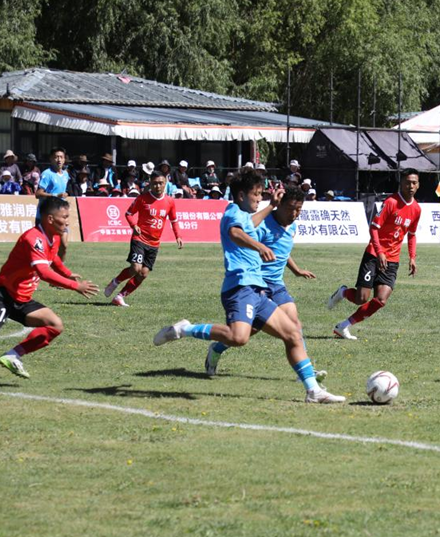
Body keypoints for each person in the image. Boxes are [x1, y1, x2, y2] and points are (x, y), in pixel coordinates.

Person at [152, 172, 343, 404]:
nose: (259, 198)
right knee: (239, 337)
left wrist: (271, 206)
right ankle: (185, 329)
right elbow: (235, 233)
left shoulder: (245, 216)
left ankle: (313, 391)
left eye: (261, 194)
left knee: (293, 333)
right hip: (240, 286)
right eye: (256, 194)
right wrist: (259, 246)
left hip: (258, 289)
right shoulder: (232, 211)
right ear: (242, 195)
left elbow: (249, 226)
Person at [0, 197, 99, 388]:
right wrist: (75, 286)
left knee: (55, 325)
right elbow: (44, 272)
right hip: (3, 294)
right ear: (50, 219)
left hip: (22, 298)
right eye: (65, 217)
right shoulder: (33, 238)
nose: (68, 221)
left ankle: (13, 355)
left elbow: (53, 259)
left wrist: (67, 273)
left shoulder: (54, 237)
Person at [205, 185, 321, 377]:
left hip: (277, 285)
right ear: (279, 205)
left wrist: (296, 270)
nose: (294, 214)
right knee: (247, 332)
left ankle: (308, 370)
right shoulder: (262, 225)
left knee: (294, 323)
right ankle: (217, 348)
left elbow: (282, 251)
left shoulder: (292, 226)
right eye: (290, 208)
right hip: (257, 284)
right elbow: (245, 241)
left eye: (298, 209)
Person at [327, 168, 421, 340]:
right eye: (407, 182)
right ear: (401, 183)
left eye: (414, 183)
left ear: (418, 185)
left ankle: (343, 326)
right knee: (361, 298)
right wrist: (379, 252)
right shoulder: (391, 202)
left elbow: (412, 234)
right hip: (373, 255)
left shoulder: (416, 209)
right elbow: (374, 228)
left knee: (381, 300)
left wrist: (412, 257)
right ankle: (343, 292)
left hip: (392, 260)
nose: (411, 186)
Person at [104, 172, 183, 307]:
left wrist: (178, 236)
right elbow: (129, 214)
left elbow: (174, 220)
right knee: (135, 268)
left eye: (161, 183)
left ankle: (120, 297)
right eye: (155, 183)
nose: (158, 186)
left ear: (165, 183)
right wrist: (133, 226)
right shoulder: (142, 199)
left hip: (154, 243)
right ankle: (115, 281)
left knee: (143, 273)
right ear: (150, 183)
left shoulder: (170, 201)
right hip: (139, 239)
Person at [36, 147, 71, 257]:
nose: (59, 160)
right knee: (44, 248)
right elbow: (38, 193)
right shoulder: (47, 174)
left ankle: (58, 267)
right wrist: (56, 195)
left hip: (60, 216)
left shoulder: (66, 175)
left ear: (64, 159)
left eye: (61, 157)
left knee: (64, 246)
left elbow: (62, 193)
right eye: (56, 157)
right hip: (46, 216)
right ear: (51, 159)